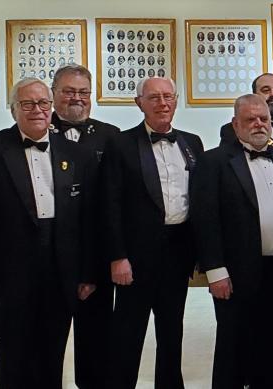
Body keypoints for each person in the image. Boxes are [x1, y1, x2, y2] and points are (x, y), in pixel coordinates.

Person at [0, 77, 99, 388]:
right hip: (9, 273)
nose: (37, 110)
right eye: (28, 104)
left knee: (52, 352)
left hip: (60, 270)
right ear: (13, 111)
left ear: (51, 108)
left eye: (43, 103)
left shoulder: (75, 153)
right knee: (13, 355)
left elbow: (85, 219)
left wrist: (87, 272)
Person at [191, 94, 273, 388]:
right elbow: (206, 220)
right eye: (250, 119)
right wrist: (215, 271)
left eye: (264, 119)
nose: (258, 124)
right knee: (234, 345)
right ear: (235, 124)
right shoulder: (213, 161)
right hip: (235, 272)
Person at [102, 77, 205, 389]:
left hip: (177, 252)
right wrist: (117, 257)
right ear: (139, 104)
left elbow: (199, 200)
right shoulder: (120, 144)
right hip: (136, 256)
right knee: (128, 333)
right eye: (154, 97)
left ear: (176, 101)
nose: (163, 103)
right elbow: (111, 205)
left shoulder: (192, 142)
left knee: (172, 330)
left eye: (168, 96)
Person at [49, 63, 119, 389]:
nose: (76, 98)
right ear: (53, 94)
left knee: (98, 351)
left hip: (97, 258)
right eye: (68, 91)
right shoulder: (35, 131)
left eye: (83, 92)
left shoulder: (110, 136)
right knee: (44, 351)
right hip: (47, 264)